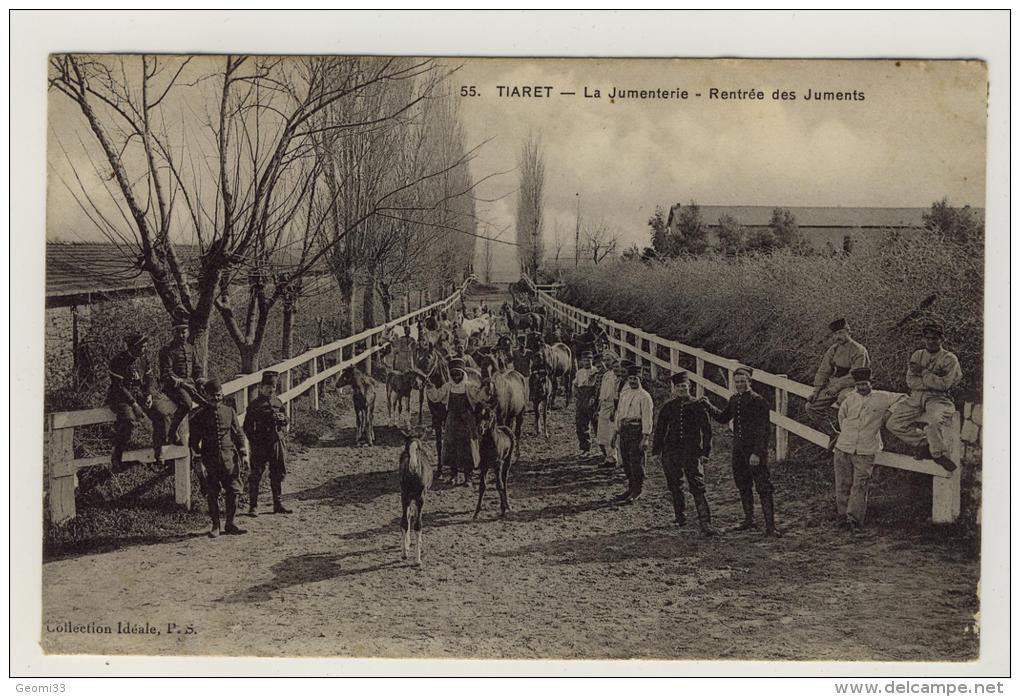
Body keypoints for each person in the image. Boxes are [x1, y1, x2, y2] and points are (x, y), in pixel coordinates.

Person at [703, 366, 781, 536]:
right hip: (738, 450)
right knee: (743, 484)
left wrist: (758, 453)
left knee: (763, 487)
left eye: (742, 381)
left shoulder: (758, 401)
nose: (739, 384)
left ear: (749, 382)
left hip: (754, 452)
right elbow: (723, 418)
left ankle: (770, 527)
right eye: (736, 382)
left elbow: (764, 430)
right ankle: (749, 520)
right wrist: (708, 405)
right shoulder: (734, 399)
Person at [833, 367, 904, 532]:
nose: (862, 388)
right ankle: (842, 516)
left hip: (866, 450)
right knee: (842, 483)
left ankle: (854, 520)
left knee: (860, 485)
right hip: (844, 446)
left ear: (871, 382)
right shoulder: (849, 399)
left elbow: (904, 398)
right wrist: (848, 435)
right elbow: (841, 417)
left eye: (865, 384)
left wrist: (889, 413)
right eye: (859, 385)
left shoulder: (882, 397)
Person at [885, 322, 961, 472]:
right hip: (915, 397)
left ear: (942, 339)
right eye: (927, 338)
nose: (931, 341)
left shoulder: (949, 359)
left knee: (935, 420)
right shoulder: (918, 355)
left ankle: (939, 455)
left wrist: (924, 372)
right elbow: (910, 381)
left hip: (938, 398)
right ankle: (925, 444)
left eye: (935, 338)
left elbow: (944, 385)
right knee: (893, 423)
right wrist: (933, 379)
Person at [653, 371, 718, 535]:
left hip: (691, 452)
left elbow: (707, 431)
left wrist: (705, 452)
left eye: (684, 386)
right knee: (674, 484)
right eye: (678, 386)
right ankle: (680, 517)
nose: (682, 389)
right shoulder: (668, 407)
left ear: (689, 387)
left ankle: (706, 523)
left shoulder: (698, 406)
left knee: (697, 485)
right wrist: (657, 450)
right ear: (674, 388)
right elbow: (660, 430)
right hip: (671, 451)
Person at [189, 379, 248, 538]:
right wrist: (198, 460)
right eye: (212, 396)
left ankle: (230, 523)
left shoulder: (229, 412)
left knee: (233, 490)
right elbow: (193, 442)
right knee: (212, 492)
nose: (216, 399)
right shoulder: (198, 417)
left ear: (222, 394)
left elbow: (238, 434)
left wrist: (242, 451)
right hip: (210, 459)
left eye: (218, 395)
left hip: (230, 458)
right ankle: (215, 525)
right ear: (205, 396)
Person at [805, 318, 870, 444]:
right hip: (834, 383)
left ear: (848, 331)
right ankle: (832, 433)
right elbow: (824, 370)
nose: (837, 337)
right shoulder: (833, 349)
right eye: (835, 334)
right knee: (811, 407)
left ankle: (850, 437)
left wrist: (837, 387)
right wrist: (816, 390)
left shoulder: (859, 350)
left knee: (844, 400)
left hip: (852, 384)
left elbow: (856, 375)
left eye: (840, 333)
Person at [108, 332, 167, 468]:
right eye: (141, 347)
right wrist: (134, 404)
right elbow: (119, 386)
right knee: (128, 422)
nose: (144, 349)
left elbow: (149, 379)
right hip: (121, 396)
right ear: (132, 347)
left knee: (161, 415)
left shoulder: (144, 359)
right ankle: (117, 455)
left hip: (139, 394)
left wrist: (149, 395)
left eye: (145, 346)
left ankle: (158, 452)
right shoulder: (119, 360)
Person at [426, 358, 485, 486]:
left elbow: (479, 398)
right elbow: (437, 397)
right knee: (451, 447)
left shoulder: (469, 387)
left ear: (463, 374)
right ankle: (453, 476)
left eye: (458, 374)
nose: (455, 377)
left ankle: (468, 477)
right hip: (452, 420)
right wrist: (430, 388)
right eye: (453, 374)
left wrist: (485, 390)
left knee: (467, 448)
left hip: (467, 421)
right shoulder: (448, 387)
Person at [243, 370, 292, 516]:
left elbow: (286, 419)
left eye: (273, 387)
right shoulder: (254, 405)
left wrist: (283, 421)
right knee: (256, 474)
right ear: (261, 388)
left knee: (276, 472)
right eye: (267, 387)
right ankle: (253, 506)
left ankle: (278, 504)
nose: (271, 390)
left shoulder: (278, 402)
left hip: (276, 442)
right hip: (260, 444)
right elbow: (247, 427)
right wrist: (254, 441)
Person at [158, 319, 204, 446]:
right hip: (173, 385)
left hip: (190, 384)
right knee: (187, 404)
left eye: (184, 332)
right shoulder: (166, 350)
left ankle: (197, 436)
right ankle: (172, 432)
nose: (181, 335)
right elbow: (167, 373)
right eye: (178, 332)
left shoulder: (190, 348)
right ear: (173, 333)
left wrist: (200, 379)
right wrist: (183, 383)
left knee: (207, 402)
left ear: (188, 332)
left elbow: (197, 368)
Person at [611, 364, 654, 502]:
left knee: (636, 461)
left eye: (635, 378)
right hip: (624, 430)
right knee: (626, 460)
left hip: (636, 430)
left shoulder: (645, 396)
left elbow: (647, 418)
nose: (632, 381)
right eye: (630, 378)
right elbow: (619, 414)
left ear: (639, 378)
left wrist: (645, 437)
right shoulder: (624, 394)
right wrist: (616, 432)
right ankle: (630, 487)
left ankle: (637, 489)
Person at [595, 355, 625, 468]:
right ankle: (610, 458)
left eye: (609, 360)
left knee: (615, 435)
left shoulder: (621, 379)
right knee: (604, 435)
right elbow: (602, 395)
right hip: (604, 406)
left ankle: (621, 461)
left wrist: (614, 410)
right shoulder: (607, 375)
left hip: (616, 408)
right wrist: (598, 409)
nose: (607, 362)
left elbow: (618, 397)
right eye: (606, 360)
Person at [573, 351, 599, 458]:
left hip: (592, 398)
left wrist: (593, 397)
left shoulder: (596, 371)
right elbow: (575, 384)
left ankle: (604, 450)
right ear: (581, 361)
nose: (586, 362)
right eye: (584, 360)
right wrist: (577, 396)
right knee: (581, 425)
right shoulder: (579, 372)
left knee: (597, 424)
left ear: (592, 360)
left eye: (589, 359)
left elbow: (597, 387)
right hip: (581, 398)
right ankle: (585, 449)